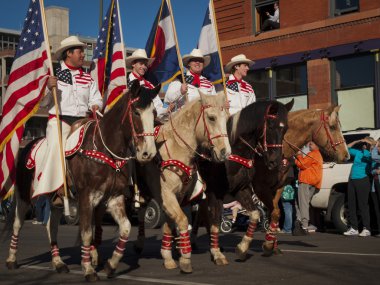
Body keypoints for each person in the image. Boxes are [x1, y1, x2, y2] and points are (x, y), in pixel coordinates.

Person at [36, 36, 103, 201]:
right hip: (60, 120)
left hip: (83, 121)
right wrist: (47, 88)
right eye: (80, 52)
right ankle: (56, 189)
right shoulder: (53, 76)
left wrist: (95, 105)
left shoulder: (88, 78)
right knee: (55, 148)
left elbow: (96, 98)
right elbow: (43, 104)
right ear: (69, 53)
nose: (83, 55)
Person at [125, 49, 169, 120]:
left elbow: (158, 107)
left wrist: (166, 110)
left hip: (147, 121)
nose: (144, 67)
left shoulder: (149, 85)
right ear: (133, 64)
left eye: (145, 64)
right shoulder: (124, 81)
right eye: (141, 64)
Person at [343, 139, 372, 237]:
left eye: (366, 144)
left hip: (362, 180)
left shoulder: (369, 154)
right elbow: (347, 148)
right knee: (351, 204)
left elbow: (368, 155)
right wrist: (358, 141)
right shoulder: (359, 152)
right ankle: (354, 228)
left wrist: (368, 145)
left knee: (362, 205)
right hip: (352, 180)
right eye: (363, 144)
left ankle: (366, 228)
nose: (364, 145)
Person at [293, 141, 323, 235]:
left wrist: (298, 155)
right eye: (309, 144)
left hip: (306, 180)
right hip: (313, 182)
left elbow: (302, 164)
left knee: (303, 203)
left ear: (317, 145)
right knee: (301, 202)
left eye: (311, 144)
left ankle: (304, 225)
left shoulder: (313, 154)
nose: (309, 145)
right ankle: (299, 222)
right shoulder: (317, 154)